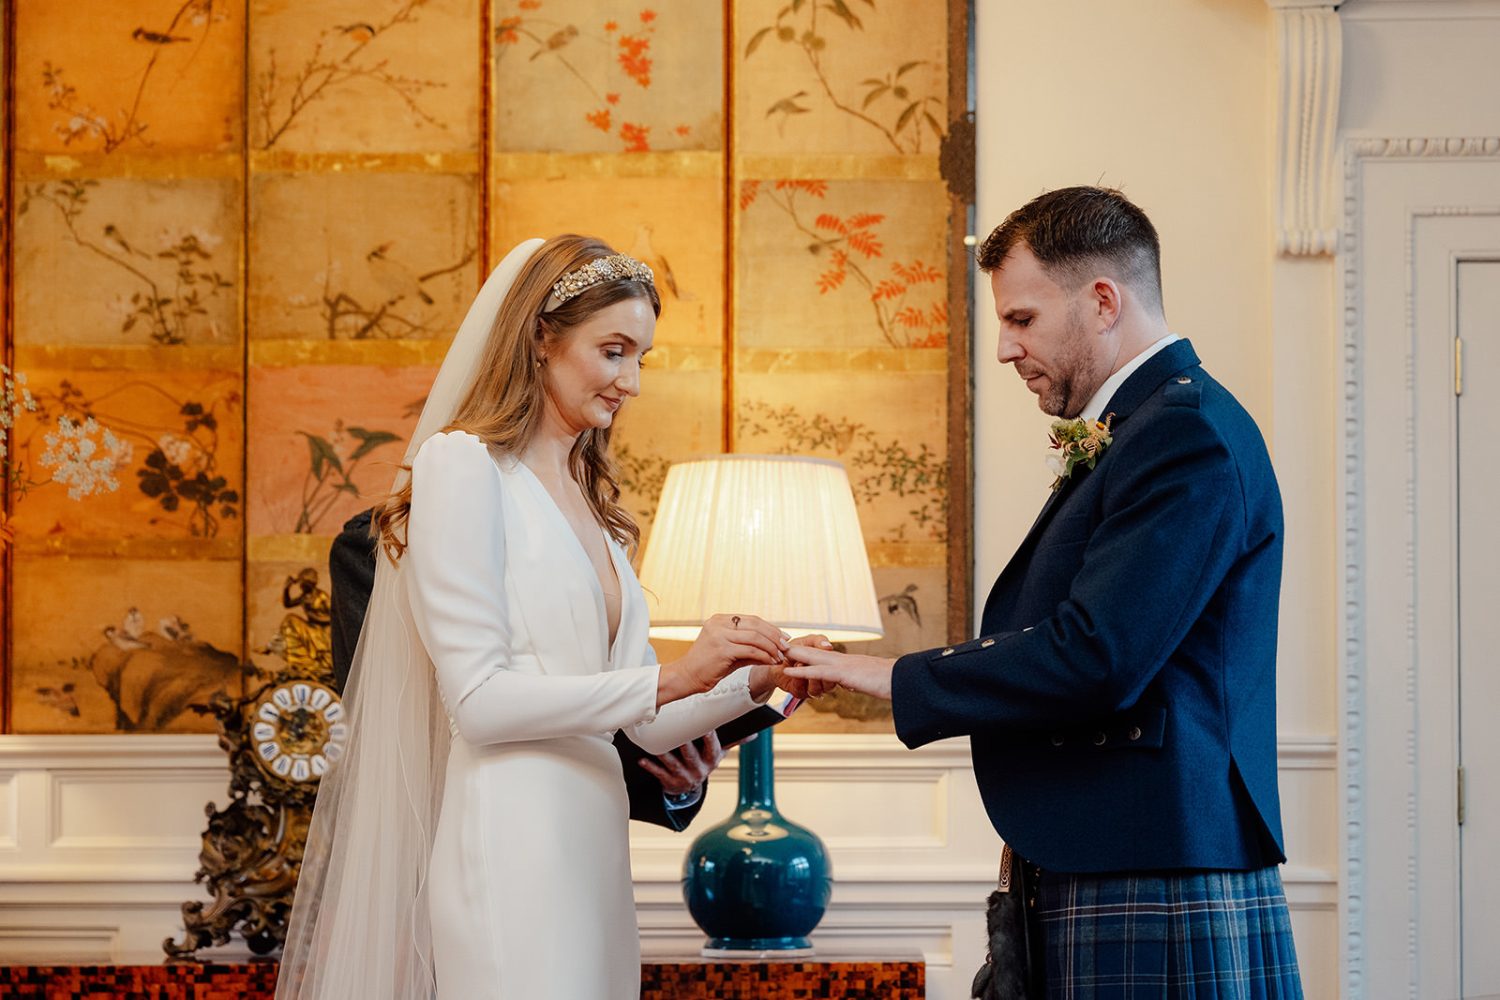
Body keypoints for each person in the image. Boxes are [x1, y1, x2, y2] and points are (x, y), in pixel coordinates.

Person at [785, 187, 1304, 998]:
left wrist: (894, 677)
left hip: (1152, 865)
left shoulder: (1184, 435)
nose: (1003, 349)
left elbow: (1098, 655)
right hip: (1121, 853)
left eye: (1021, 319)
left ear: (1103, 302)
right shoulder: (1148, 426)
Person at [277, 235, 798, 1000]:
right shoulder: (463, 466)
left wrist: (757, 681)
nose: (632, 381)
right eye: (613, 350)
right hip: (509, 843)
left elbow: (643, 725)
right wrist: (677, 674)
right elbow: (481, 704)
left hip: (590, 852)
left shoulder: (594, 505)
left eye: (641, 357)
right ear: (540, 337)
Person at [327, 505, 725, 831]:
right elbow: (384, 719)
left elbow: (609, 695)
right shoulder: (384, 544)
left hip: (582, 827)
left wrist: (676, 784)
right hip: (449, 820)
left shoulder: (594, 528)